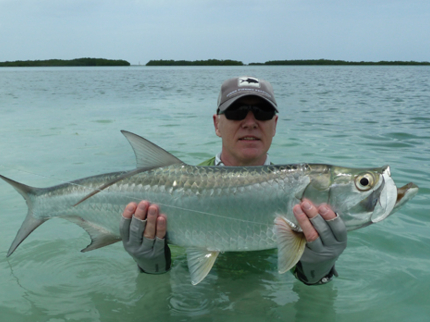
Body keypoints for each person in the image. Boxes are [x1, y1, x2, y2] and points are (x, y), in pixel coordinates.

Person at [120, 76, 347, 285]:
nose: (250, 122)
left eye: (262, 112)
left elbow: (307, 285)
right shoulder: (180, 181)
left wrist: (319, 268)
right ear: (217, 124)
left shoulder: (303, 194)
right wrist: (151, 265)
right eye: (236, 112)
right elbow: (176, 276)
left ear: (275, 124)